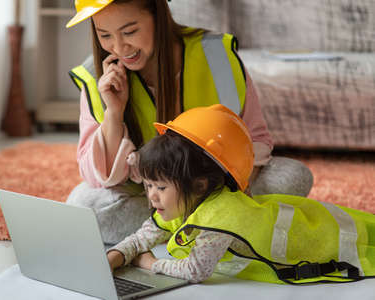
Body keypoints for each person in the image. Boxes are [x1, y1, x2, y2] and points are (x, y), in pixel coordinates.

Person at [65, 0, 313, 243]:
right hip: (153, 198)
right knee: (83, 205)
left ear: (158, 14)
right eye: (104, 35)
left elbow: (255, 139)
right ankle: (221, 229)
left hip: (217, 191)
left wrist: (229, 188)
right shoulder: (97, 76)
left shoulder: (216, 56)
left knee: (293, 175)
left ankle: (178, 229)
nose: (118, 47)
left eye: (130, 31)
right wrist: (114, 112)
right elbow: (97, 177)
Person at [107, 104, 375, 284]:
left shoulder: (220, 218)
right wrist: (117, 255)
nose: (152, 197)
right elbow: (146, 235)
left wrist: (152, 264)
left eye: (161, 187)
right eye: (149, 186)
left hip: (318, 238)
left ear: (199, 185)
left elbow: (196, 271)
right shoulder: (187, 201)